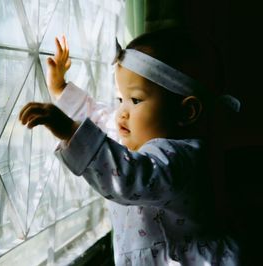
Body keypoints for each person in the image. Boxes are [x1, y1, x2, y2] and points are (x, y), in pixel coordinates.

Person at [19, 28, 240, 265]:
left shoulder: (181, 157)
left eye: (135, 100)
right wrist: (61, 89)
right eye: (120, 99)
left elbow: (129, 177)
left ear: (186, 111)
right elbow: (100, 118)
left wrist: (70, 130)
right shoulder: (136, 134)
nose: (122, 112)